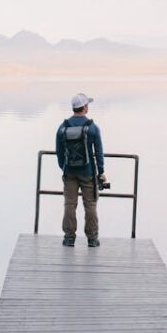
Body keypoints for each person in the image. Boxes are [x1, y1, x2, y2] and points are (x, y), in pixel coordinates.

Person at [56, 92, 106, 247]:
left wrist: (65, 167)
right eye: (87, 105)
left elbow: (59, 152)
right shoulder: (92, 127)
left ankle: (69, 238)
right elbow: (98, 152)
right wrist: (101, 172)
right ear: (84, 107)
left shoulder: (63, 127)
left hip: (69, 172)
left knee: (70, 204)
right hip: (88, 172)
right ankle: (92, 238)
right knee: (90, 204)